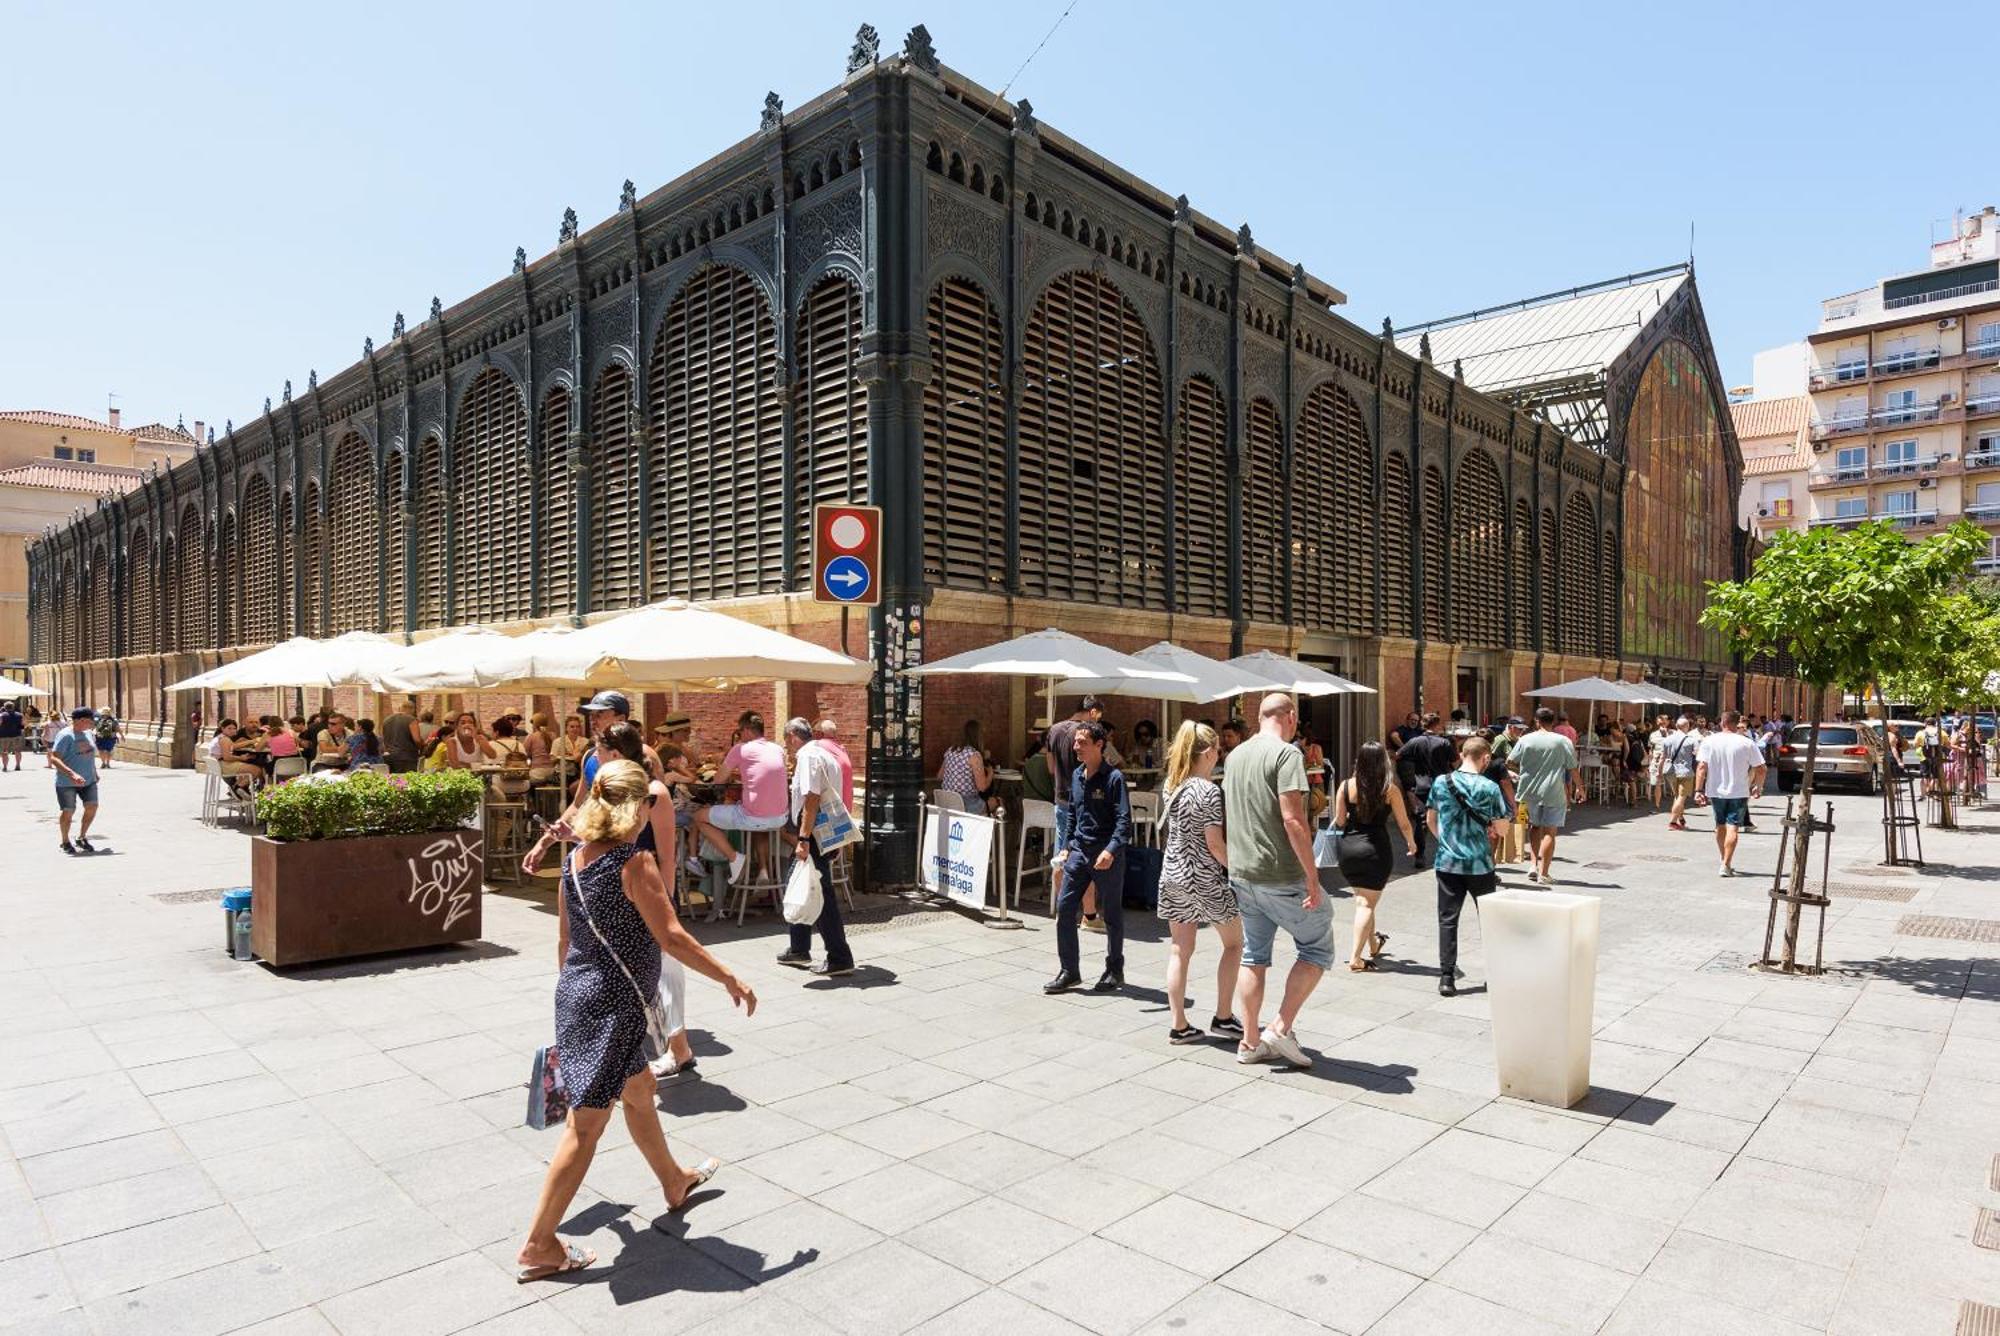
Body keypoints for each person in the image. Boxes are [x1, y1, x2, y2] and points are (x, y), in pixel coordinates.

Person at [514, 758, 754, 1284]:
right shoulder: (633, 863)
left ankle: (673, 1180)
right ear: (635, 808)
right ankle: (539, 1245)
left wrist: (572, 1004)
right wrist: (730, 978)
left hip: (579, 996)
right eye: (649, 800)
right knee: (586, 1126)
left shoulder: (577, 860)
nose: (654, 807)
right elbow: (671, 938)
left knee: (640, 1089)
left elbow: (565, 942)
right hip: (613, 1008)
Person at [1222, 693, 1328, 1069]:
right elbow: (1293, 818)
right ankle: (1280, 1028)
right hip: (1280, 872)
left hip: (1243, 872)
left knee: (1254, 955)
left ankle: (1250, 1042)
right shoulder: (1287, 755)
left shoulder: (1234, 756)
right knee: (1318, 947)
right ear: (1291, 717)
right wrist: (1312, 877)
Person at [592, 722, 697, 1075]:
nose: (594, 757)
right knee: (635, 973)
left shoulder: (656, 793)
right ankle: (667, 1048)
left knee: (666, 972)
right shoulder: (614, 790)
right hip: (622, 893)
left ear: (616, 754)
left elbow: (667, 854)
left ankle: (677, 1050)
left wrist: (664, 906)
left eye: (600, 751)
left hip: (651, 893)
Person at [1156, 722, 1241, 1043]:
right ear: (1207, 753)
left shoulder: (1171, 784)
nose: (1220, 755)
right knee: (1234, 944)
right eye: (1218, 750)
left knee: (1180, 950)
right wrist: (1240, 869)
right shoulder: (1209, 791)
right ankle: (1223, 1016)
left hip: (1173, 874)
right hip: (1203, 878)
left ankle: (1179, 1025)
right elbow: (1215, 845)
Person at [1044, 721, 1130, 994]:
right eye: (1076, 742)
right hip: (1079, 853)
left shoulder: (1114, 778)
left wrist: (1111, 849)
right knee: (1066, 908)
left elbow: (1123, 821)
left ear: (1099, 745)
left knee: (1112, 914)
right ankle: (1069, 971)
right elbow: (1072, 814)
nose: (1076, 746)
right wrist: (1067, 845)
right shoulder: (1077, 776)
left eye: (1082, 742)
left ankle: (1114, 969)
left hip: (1106, 854)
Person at [1427, 734, 1510, 997]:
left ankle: (1447, 977)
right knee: (1489, 920)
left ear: (1462, 754)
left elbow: (1431, 819)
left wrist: (1447, 842)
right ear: (1485, 757)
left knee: (1447, 920)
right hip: (1480, 864)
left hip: (1448, 862)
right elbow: (1503, 828)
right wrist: (1493, 829)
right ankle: (1495, 974)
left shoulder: (1442, 782)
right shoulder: (1489, 788)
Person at [775, 718, 856, 979]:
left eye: (786, 739)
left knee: (820, 892)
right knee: (799, 881)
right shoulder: (823, 753)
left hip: (814, 829)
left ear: (794, 736)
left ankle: (839, 956)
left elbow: (812, 798)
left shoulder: (808, 757)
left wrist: (804, 838)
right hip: (822, 828)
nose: (787, 746)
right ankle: (799, 948)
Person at [1332, 740, 1417, 973]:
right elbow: (1403, 822)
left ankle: (1373, 944)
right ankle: (1355, 958)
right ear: (1383, 762)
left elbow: (1339, 821)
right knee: (1366, 904)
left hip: (1348, 849)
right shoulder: (1389, 789)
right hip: (1375, 851)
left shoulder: (1346, 785)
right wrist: (1411, 843)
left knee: (1364, 900)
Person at [695, 712, 789, 884]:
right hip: (780, 818)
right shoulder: (777, 749)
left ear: (746, 730)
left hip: (753, 817)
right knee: (756, 821)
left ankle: (734, 858)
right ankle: (762, 871)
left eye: (739, 732)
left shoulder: (740, 748)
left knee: (699, 817)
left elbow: (718, 780)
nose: (739, 736)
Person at [1512, 707, 1583, 887]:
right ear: (1553, 722)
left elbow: (1511, 761)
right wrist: (1580, 788)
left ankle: (1533, 866)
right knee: (1550, 832)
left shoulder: (1525, 739)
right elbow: (1572, 767)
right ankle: (1544, 873)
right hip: (1553, 792)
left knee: (1533, 827)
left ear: (1536, 721)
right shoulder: (1562, 741)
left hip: (1526, 793)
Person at [1695, 711, 1767, 877]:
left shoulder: (1709, 741)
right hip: (1739, 791)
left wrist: (1698, 790)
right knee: (1733, 827)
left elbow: (1701, 767)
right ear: (1737, 723)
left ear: (1722, 723)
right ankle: (1726, 863)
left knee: (1720, 825)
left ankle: (1723, 859)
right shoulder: (1746, 743)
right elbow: (1761, 769)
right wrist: (1758, 786)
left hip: (1715, 790)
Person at [1399, 713, 1458, 867]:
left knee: (1421, 821)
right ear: (1437, 725)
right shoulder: (1444, 742)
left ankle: (1420, 856)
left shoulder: (1415, 741)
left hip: (1422, 785)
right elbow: (1455, 761)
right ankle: (1448, 853)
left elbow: (1399, 755)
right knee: (1446, 819)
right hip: (1443, 784)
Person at [51, 707, 102, 855]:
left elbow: (89, 755)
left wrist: (94, 772)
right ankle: (65, 841)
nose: (94, 722)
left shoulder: (88, 734)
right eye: (92, 720)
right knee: (68, 811)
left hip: (88, 780)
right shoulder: (65, 735)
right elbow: (54, 758)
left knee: (92, 806)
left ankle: (81, 837)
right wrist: (72, 774)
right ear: (81, 720)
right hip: (67, 782)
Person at [939, 720, 995, 813]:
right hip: (966, 805)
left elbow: (940, 776)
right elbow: (982, 787)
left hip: (946, 803)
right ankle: (994, 827)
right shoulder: (974, 755)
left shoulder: (950, 751)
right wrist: (990, 773)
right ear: (978, 736)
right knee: (998, 802)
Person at [1660, 716, 1702, 831]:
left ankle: (1681, 818)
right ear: (1687, 726)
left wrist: (1659, 772)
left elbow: (1662, 757)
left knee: (1677, 796)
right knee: (1681, 797)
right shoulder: (1691, 740)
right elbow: (1698, 755)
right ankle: (1673, 822)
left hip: (1670, 771)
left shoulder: (1667, 739)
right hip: (1685, 771)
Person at [207, 719, 263, 794]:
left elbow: (233, 746)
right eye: (229, 728)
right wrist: (241, 758)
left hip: (218, 765)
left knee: (246, 765)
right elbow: (227, 757)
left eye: (234, 728)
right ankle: (238, 788)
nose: (232, 731)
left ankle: (237, 789)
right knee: (257, 770)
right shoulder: (224, 740)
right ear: (223, 728)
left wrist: (249, 741)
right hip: (224, 766)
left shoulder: (220, 737)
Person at [814, 718, 855, 813]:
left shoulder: (818, 746)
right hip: (846, 808)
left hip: (832, 811)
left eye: (814, 731)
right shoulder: (842, 749)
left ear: (820, 734)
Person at [382, 697, 423, 774]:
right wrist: (422, 745)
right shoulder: (411, 719)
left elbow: (384, 740)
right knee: (406, 782)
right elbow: (417, 740)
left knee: (393, 782)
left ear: (400, 708)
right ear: (412, 709)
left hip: (390, 757)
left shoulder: (386, 720)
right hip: (407, 758)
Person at [1645, 713, 1674, 811]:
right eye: (1660, 721)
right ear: (1657, 723)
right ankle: (1657, 805)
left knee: (1673, 785)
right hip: (1657, 762)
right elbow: (1650, 749)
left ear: (1668, 722)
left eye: (1665, 721)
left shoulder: (1673, 733)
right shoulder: (1653, 735)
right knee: (1657, 784)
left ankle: (1677, 806)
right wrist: (1650, 762)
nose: (1662, 723)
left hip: (1670, 762)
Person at [0, 699, 23, 771]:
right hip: (17, 735)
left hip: (4, 736)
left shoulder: (1, 715)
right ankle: (18, 765)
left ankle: (5, 766)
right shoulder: (19, 715)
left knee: (4, 751)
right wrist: (18, 729)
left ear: (5, 707)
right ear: (13, 707)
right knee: (17, 751)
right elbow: (22, 725)